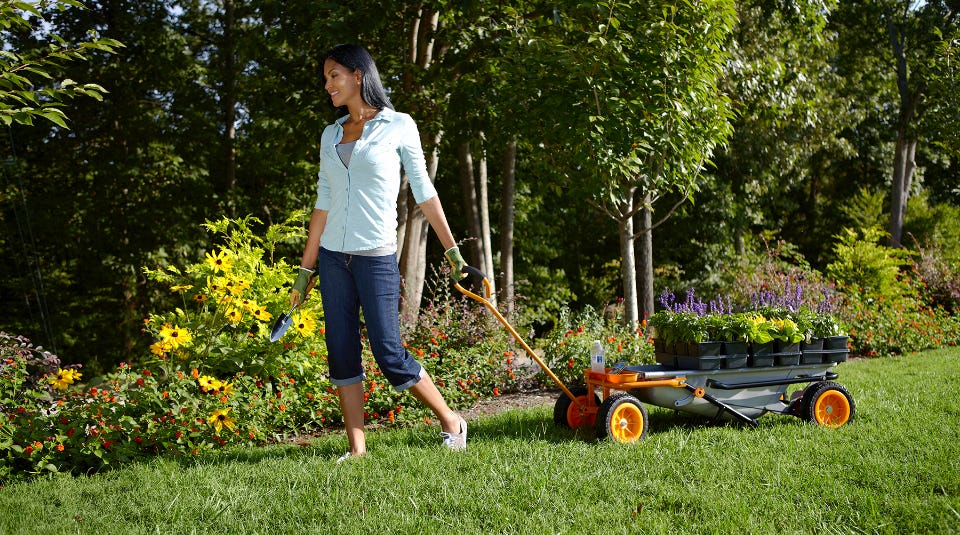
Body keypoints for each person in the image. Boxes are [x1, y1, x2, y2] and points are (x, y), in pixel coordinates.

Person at [290, 43, 469, 461]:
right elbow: (322, 203)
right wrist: (305, 269)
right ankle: (357, 451)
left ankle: (450, 419)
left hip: (375, 256)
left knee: (389, 352)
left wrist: (453, 251)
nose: (328, 85)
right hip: (334, 257)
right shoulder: (330, 134)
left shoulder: (399, 125)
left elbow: (424, 192)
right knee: (341, 349)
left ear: (358, 74)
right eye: (325, 78)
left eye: (334, 75)